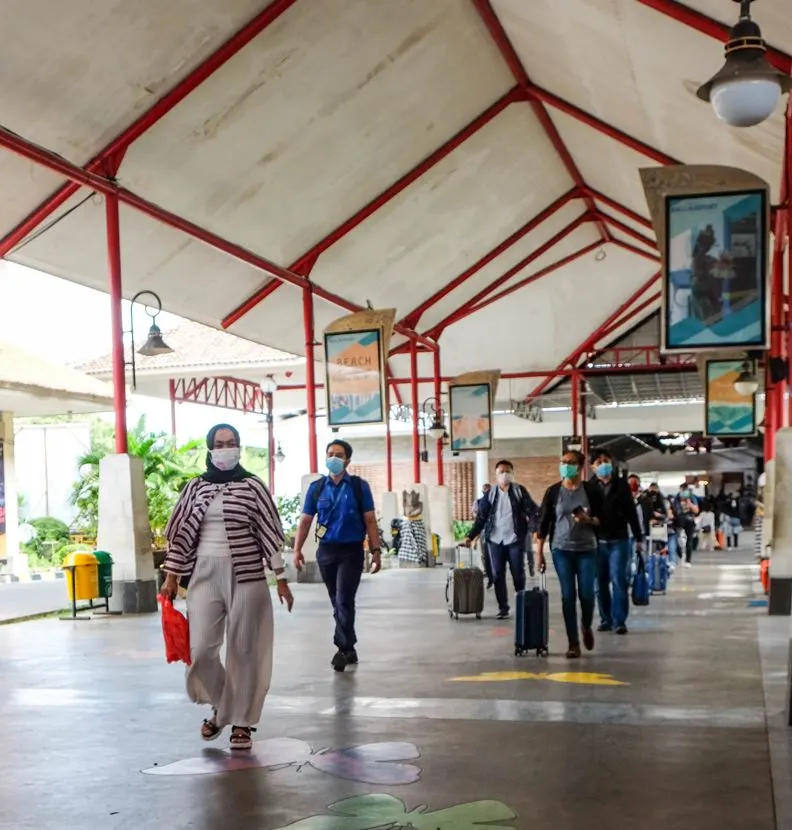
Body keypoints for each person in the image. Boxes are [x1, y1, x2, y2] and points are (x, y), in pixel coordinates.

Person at [161, 424, 293, 751]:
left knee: (245, 649)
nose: (225, 449)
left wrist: (281, 578)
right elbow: (181, 536)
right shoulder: (194, 487)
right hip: (204, 573)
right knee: (201, 650)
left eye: (231, 443)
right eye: (219, 444)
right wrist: (171, 576)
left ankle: (242, 723)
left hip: (247, 576)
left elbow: (268, 533)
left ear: (239, 448)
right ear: (210, 449)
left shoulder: (252, 486)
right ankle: (224, 705)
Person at [293, 440, 381, 673]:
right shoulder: (317, 488)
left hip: (351, 551)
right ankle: (350, 645)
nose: (333, 458)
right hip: (327, 551)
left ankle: (341, 649)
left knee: (343, 599)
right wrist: (297, 548)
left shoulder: (358, 487)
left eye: (339, 455)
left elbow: (370, 520)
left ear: (348, 460)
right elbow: (305, 520)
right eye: (330, 454)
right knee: (337, 601)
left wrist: (376, 551)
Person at [536, 449, 605, 659]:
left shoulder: (592, 491)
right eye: (563, 462)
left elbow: (604, 519)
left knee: (586, 594)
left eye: (570, 462)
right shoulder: (553, 492)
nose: (566, 465)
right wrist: (539, 553)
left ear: (580, 466)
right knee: (568, 596)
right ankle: (573, 642)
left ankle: (585, 625)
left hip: (587, 549)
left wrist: (589, 520)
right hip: (561, 549)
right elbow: (544, 523)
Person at [465, 460, 538, 620]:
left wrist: (534, 530)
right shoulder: (490, 494)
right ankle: (503, 608)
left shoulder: (519, 491)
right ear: (496, 475)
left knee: (518, 573)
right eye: (501, 472)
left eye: (507, 471)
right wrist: (471, 536)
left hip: (514, 539)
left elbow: (532, 511)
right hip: (495, 540)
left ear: (512, 473)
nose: (504, 475)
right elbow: (482, 517)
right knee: (498, 574)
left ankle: (521, 604)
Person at [591, 453, 643, 635]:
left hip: (619, 540)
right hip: (597, 542)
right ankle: (606, 619)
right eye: (599, 462)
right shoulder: (589, 487)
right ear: (592, 467)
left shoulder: (621, 485)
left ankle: (619, 621)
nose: (603, 465)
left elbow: (631, 512)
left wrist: (638, 537)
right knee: (600, 583)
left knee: (619, 580)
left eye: (606, 462)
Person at [472, 483, 494, 588]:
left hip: (495, 531)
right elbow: (477, 518)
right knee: (485, 554)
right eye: (485, 489)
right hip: (484, 531)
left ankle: (494, 574)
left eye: (488, 489)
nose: (486, 491)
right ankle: (489, 575)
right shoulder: (479, 502)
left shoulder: (496, 501)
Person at [673, 484, 699, 567]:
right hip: (678, 521)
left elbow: (696, 510)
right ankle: (681, 555)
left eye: (685, 490)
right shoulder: (676, 498)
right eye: (682, 490)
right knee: (676, 540)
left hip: (689, 521)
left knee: (689, 541)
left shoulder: (692, 498)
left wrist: (690, 503)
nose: (684, 492)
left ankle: (688, 560)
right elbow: (673, 509)